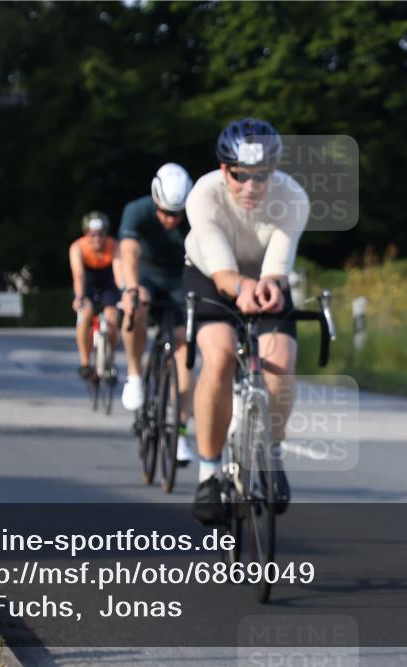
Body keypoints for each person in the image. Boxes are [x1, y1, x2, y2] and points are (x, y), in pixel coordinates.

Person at [184, 118, 309, 525]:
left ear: (274, 171)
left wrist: (270, 286)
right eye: (240, 176)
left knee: (280, 360)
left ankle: (272, 455)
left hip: (263, 274)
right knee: (219, 356)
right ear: (225, 170)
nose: (251, 187)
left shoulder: (294, 198)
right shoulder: (203, 195)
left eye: (261, 177)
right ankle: (208, 473)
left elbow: (277, 267)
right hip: (210, 274)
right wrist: (243, 288)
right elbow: (222, 274)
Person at [119, 163, 195, 464]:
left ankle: (181, 432)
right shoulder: (136, 211)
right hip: (148, 275)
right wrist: (132, 287)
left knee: (185, 348)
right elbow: (128, 251)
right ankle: (135, 374)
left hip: (181, 280)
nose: (170, 220)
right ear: (155, 200)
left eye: (176, 214)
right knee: (136, 305)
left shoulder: (195, 214)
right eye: (164, 212)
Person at [70, 211, 121, 380]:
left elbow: (119, 273)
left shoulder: (113, 246)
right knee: (85, 315)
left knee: (112, 318)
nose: (97, 239)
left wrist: (125, 292)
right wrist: (79, 297)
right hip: (87, 285)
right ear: (86, 234)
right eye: (92, 235)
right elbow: (78, 275)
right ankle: (85, 362)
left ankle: (109, 358)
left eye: (100, 234)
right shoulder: (78, 247)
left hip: (108, 285)